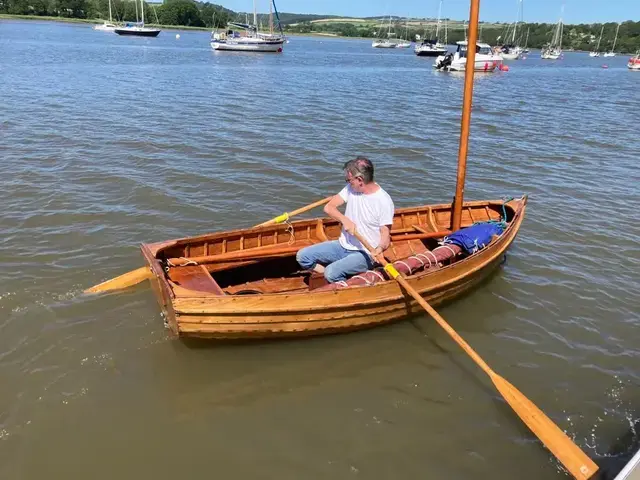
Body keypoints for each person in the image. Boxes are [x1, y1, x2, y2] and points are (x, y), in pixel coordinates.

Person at [296, 157, 395, 283]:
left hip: (365, 253)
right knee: (303, 256)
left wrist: (379, 249)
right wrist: (345, 220)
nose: (348, 182)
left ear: (360, 180)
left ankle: (343, 282)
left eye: (349, 180)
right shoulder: (351, 188)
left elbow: (385, 235)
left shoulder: (384, 201)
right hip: (343, 245)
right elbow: (329, 207)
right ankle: (336, 277)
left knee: (331, 273)